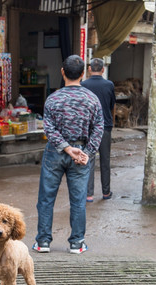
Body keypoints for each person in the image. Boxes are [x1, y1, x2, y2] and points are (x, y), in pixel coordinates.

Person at [32, 55, 104, 255]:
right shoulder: (92, 99)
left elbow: (49, 129)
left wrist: (65, 147)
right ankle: (77, 243)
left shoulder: (53, 98)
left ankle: (43, 242)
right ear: (83, 74)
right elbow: (99, 128)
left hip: (55, 152)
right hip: (80, 154)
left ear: (62, 72)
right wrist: (87, 152)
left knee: (46, 199)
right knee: (78, 200)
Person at [80, 58, 116, 202]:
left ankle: (89, 195)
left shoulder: (83, 85)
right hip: (105, 127)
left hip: (88, 128)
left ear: (89, 69)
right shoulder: (109, 85)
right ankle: (106, 192)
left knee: (88, 159)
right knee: (105, 160)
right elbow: (112, 104)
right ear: (103, 69)